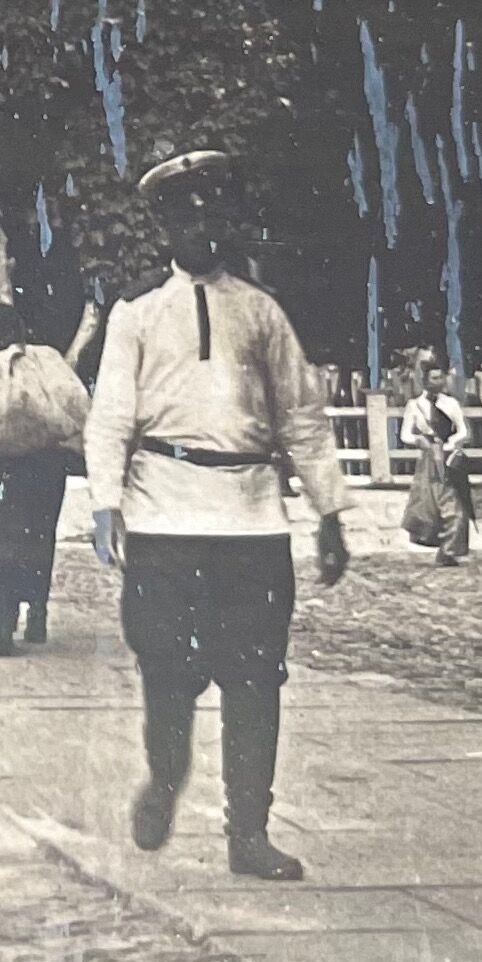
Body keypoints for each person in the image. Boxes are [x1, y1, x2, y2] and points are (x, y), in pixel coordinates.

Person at [86, 151, 351, 882]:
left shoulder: (261, 311)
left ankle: (248, 833)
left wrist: (329, 511)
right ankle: (166, 776)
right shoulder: (137, 311)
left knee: (256, 676)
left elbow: (301, 413)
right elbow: (109, 415)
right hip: (164, 514)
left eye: (212, 211)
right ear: (164, 224)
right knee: (167, 669)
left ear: (228, 219)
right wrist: (106, 503)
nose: (201, 225)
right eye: (184, 213)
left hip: (251, 518)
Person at [0, 297, 102, 652]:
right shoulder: (47, 361)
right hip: (46, 466)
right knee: (40, 538)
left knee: (5, 540)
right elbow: (74, 401)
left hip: (5, 468)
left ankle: (5, 618)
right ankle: (36, 610)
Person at [401, 361, 475, 565]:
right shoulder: (414, 406)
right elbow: (405, 435)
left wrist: (452, 443)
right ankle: (439, 545)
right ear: (424, 381)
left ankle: (449, 550)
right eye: (434, 378)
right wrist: (419, 440)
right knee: (430, 506)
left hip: (450, 459)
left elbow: (464, 431)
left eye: (441, 377)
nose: (439, 382)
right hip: (428, 461)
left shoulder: (451, 404)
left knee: (455, 505)